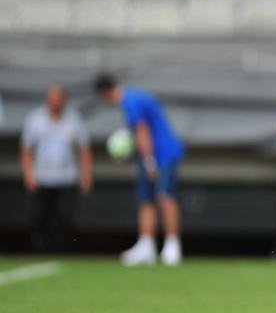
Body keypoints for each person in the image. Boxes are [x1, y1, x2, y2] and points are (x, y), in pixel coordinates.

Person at [94, 74, 185, 266]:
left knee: (164, 197)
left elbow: (142, 131)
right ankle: (146, 245)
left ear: (104, 93)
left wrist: (150, 161)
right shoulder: (135, 97)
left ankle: (172, 245)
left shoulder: (131, 101)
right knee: (146, 200)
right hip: (150, 155)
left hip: (162, 154)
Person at [20, 85, 92, 254]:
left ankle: (59, 250)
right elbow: (27, 150)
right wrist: (29, 173)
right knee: (38, 216)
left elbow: (83, 149)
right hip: (42, 177)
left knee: (64, 217)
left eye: (59, 99)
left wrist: (86, 174)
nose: (55, 103)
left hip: (67, 178)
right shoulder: (35, 119)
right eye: (52, 99)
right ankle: (39, 248)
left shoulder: (74, 119)